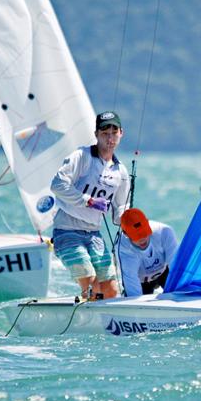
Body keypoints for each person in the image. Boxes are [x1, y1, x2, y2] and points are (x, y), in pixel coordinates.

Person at [51, 111, 130, 300]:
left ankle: (111, 324)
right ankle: (85, 321)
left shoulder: (121, 172)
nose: (110, 138)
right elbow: (58, 185)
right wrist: (89, 200)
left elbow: (120, 210)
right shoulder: (82, 156)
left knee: (111, 290)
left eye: (114, 132)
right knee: (93, 285)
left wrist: (130, 221)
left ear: (121, 133)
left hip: (95, 235)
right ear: (96, 135)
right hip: (67, 231)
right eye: (104, 133)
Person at [117, 208, 179, 297]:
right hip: (141, 282)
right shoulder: (123, 249)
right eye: (137, 236)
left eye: (144, 233)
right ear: (126, 234)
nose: (142, 239)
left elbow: (175, 266)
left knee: (179, 289)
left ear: (147, 223)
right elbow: (133, 289)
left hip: (164, 272)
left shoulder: (165, 231)